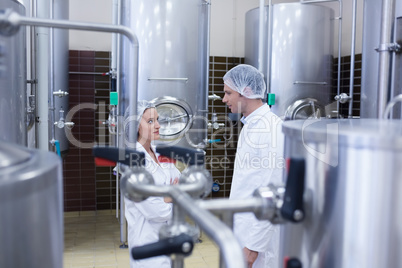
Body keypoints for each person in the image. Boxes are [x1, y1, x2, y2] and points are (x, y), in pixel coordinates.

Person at [222, 64, 285, 268]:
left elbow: (272, 190)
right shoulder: (250, 125)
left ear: (246, 92)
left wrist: (253, 247)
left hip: (258, 243)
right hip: (244, 229)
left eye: (228, 93)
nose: (224, 99)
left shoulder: (271, 130)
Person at [123, 100, 180, 268]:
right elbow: (156, 211)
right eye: (150, 121)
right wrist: (172, 195)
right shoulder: (133, 162)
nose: (158, 126)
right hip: (147, 245)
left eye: (157, 120)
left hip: (169, 239)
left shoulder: (159, 152)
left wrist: (167, 197)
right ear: (135, 126)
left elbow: (181, 182)